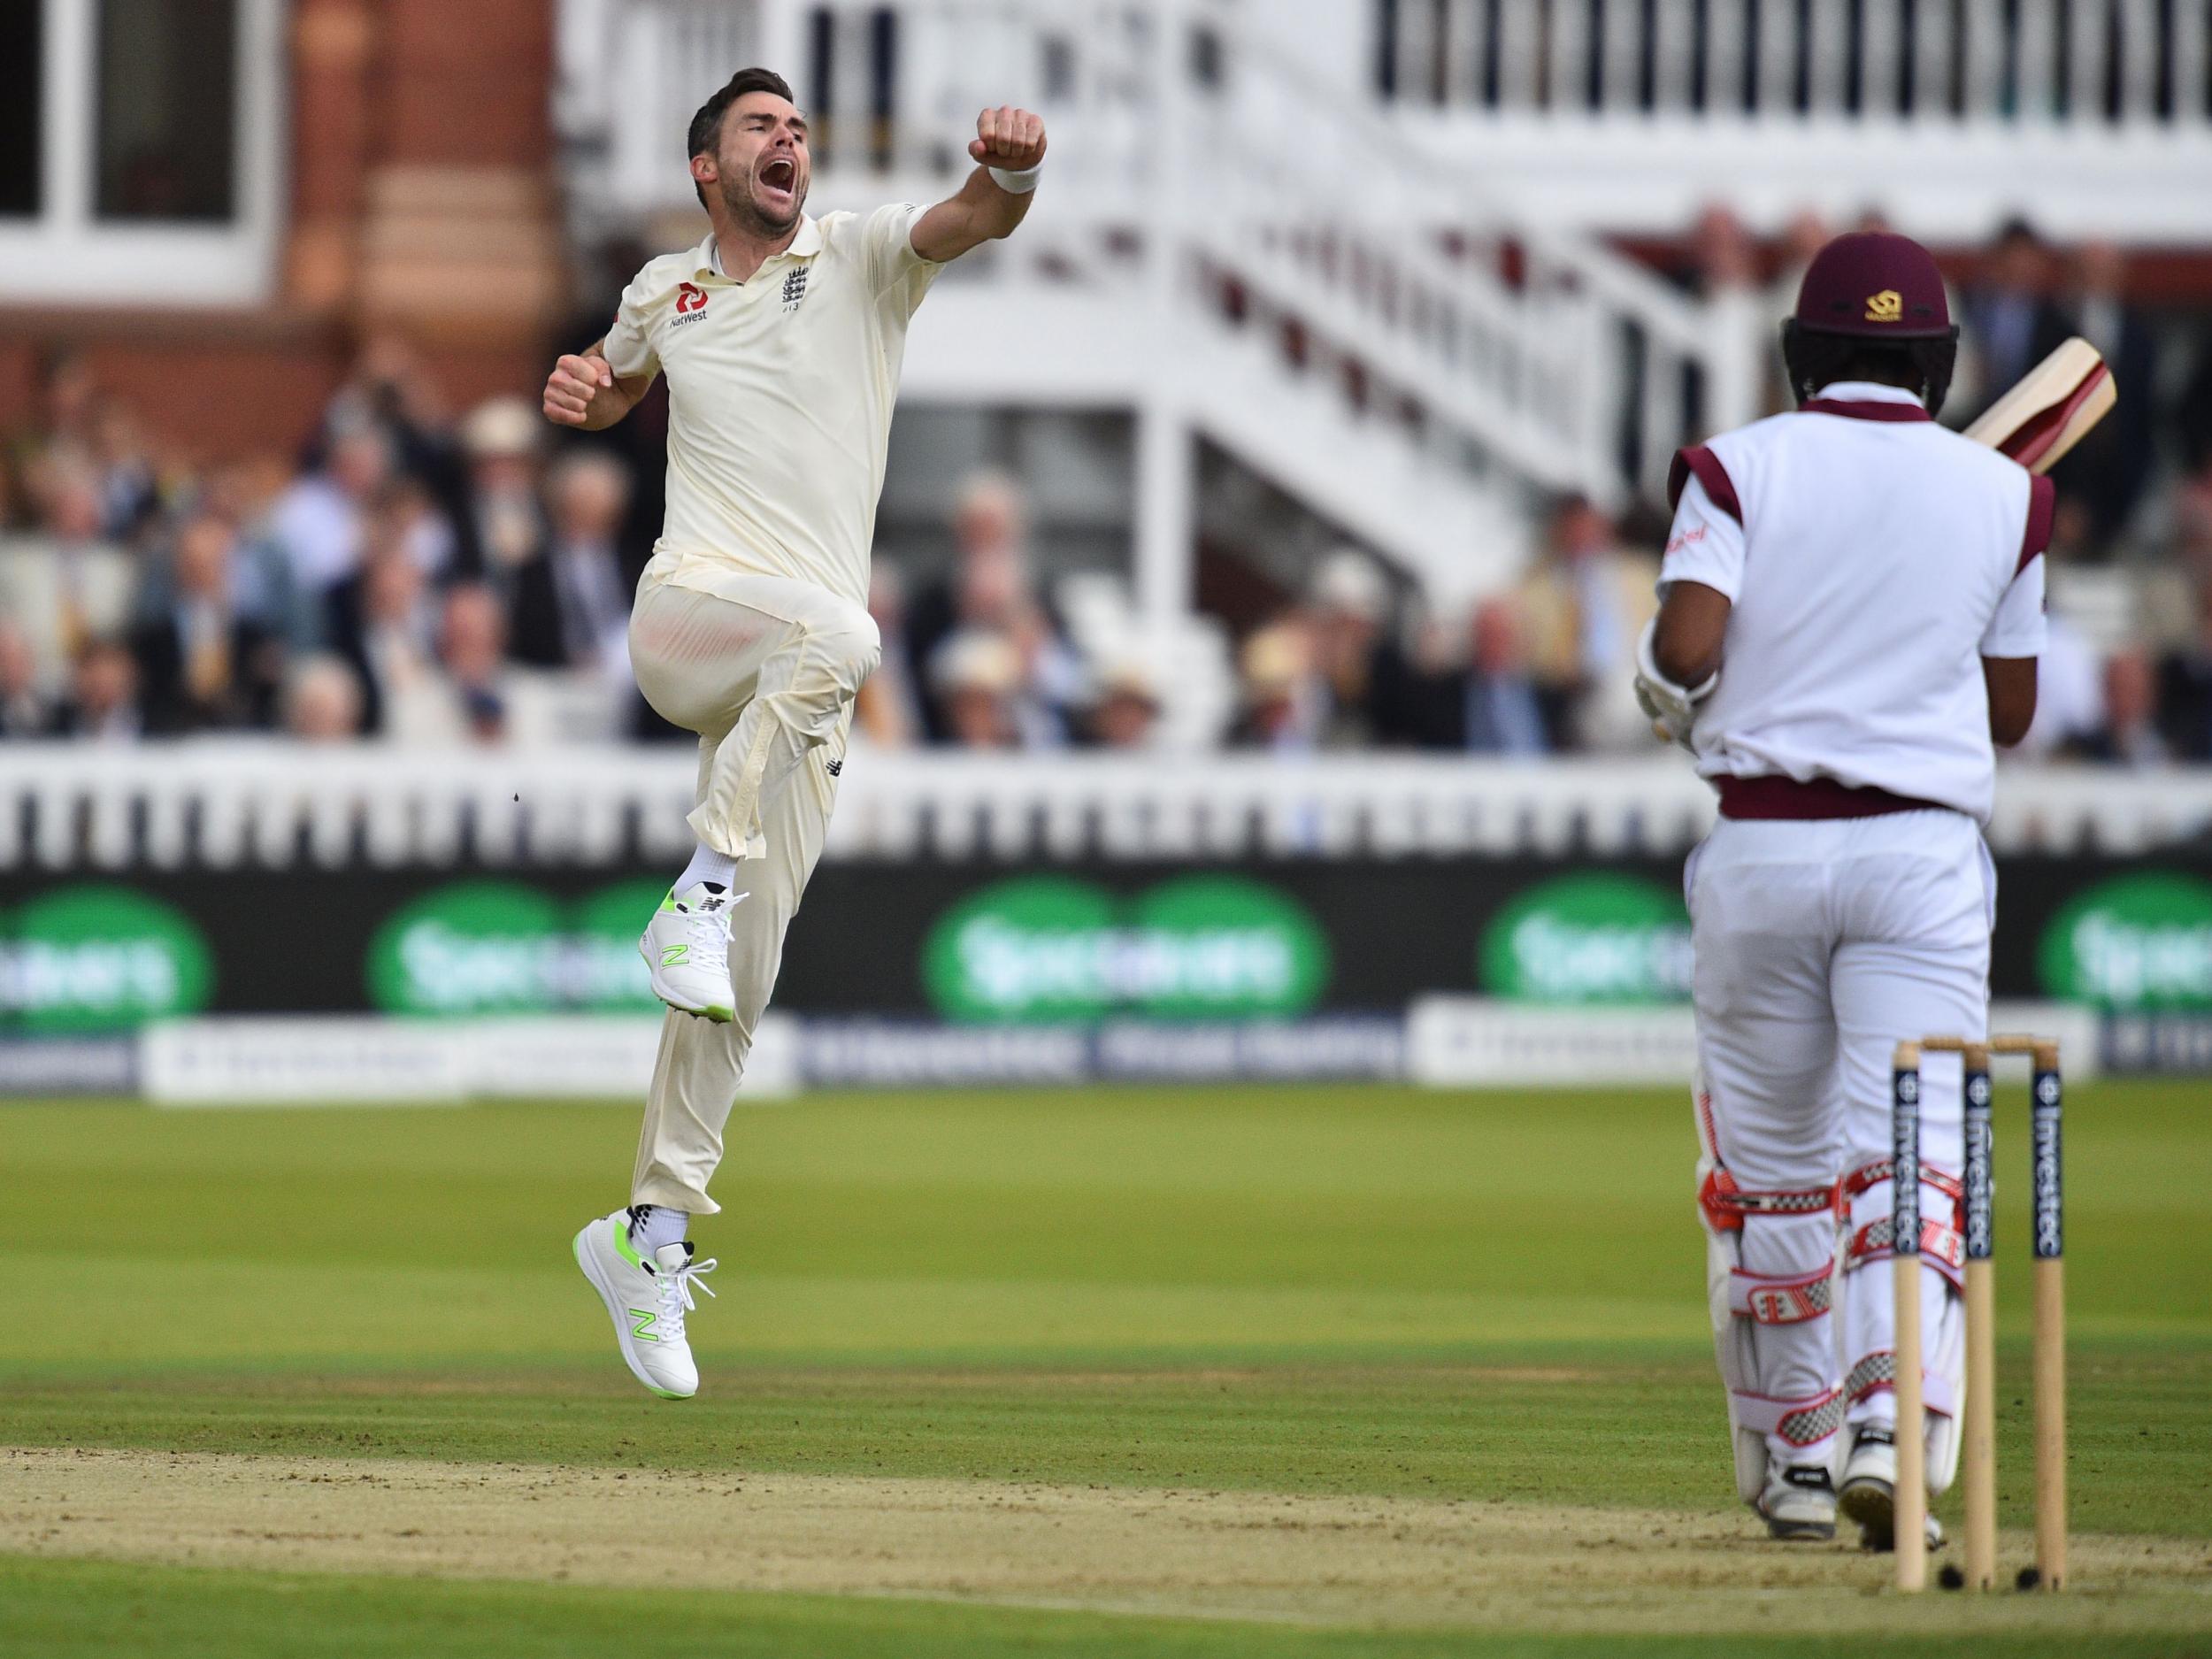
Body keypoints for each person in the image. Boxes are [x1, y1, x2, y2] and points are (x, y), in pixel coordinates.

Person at [543, 66, 1047, 1400]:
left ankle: (645, 1234)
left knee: (736, 985)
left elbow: (971, 218)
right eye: (761, 129)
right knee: (849, 633)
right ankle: (697, 884)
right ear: (707, 168)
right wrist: (587, 396)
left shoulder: (865, 255)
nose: (791, 142)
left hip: (795, 696)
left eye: (799, 129)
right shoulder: (667, 288)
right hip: (691, 621)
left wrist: (1014, 172)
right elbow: (614, 387)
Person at [1636, 232, 2051, 1550]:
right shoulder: (2004, 492)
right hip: (1919, 861)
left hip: (1760, 850)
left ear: (1801, 349)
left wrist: (1667, 695)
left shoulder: (1734, 466)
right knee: (1911, 1161)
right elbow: (2013, 710)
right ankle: (1894, 1427)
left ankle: (1797, 1461)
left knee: (1770, 1177)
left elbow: (1686, 646)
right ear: (1936, 360)